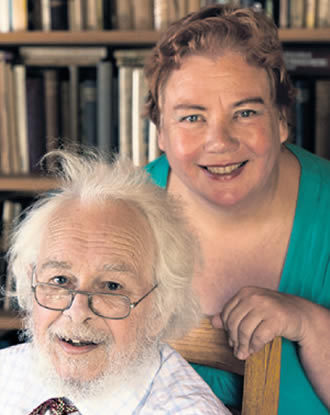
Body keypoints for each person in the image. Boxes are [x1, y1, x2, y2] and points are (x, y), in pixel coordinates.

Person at [144, 4, 330, 414]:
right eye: (192, 117)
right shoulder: (117, 217)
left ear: (282, 120)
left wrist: (310, 324)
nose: (220, 141)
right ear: (161, 133)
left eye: (245, 112)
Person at [0, 150, 231, 415]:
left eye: (111, 286)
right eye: (60, 280)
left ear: (161, 309)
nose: (77, 313)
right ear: (31, 284)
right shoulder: (7, 372)